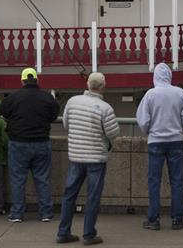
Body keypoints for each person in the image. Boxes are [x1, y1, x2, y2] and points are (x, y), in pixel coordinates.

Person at [56, 72, 120, 246]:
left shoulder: (72, 102)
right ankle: (89, 234)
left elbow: (66, 124)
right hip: (96, 159)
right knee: (92, 197)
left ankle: (63, 232)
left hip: (76, 156)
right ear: (103, 86)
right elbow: (113, 133)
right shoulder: (105, 108)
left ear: (87, 84)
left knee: (70, 194)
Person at [136, 62, 183, 231]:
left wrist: (150, 131)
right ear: (169, 76)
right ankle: (177, 219)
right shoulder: (179, 93)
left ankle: (153, 220)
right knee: (176, 181)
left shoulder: (150, 95)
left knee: (154, 181)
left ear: (155, 77)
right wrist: (180, 129)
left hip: (156, 141)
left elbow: (143, 120)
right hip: (175, 140)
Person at [0, 66, 60, 223]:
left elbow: (4, 111)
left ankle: (17, 213)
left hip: (18, 143)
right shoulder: (47, 98)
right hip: (41, 142)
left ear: (22, 81)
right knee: (42, 179)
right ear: (37, 80)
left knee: (18, 179)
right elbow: (54, 114)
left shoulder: (13, 98)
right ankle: (46, 213)